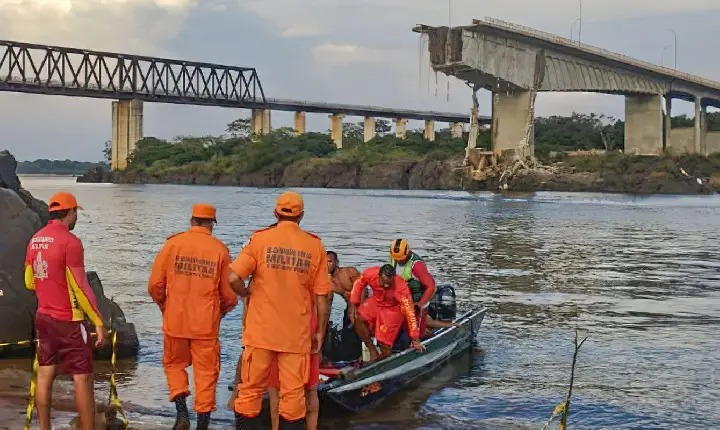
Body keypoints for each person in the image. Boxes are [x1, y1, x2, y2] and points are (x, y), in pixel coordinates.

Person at [230, 191, 331, 430]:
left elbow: (233, 277)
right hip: (296, 336)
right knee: (293, 396)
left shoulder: (259, 240)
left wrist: (246, 294)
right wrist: (320, 333)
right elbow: (323, 298)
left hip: (260, 333)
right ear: (301, 216)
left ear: (275, 213)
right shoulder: (314, 246)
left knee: (250, 392)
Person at [148, 204, 238, 430]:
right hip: (205, 325)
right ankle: (203, 425)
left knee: (174, 365)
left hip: (175, 320)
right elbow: (228, 294)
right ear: (211, 224)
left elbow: (155, 285)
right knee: (206, 373)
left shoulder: (172, 244)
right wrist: (222, 311)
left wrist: (164, 305)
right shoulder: (220, 250)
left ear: (192, 221)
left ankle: (181, 414)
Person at [24, 192, 108, 430]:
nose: (75, 217)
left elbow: (29, 281)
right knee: (83, 377)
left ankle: (44, 428)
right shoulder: (71, 242)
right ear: (70, 213)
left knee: (44, 373)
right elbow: (81, 286)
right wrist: (98, 321)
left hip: (43, 317)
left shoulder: (35, 239)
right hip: (68, 319)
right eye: (75, 212)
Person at [350, 264, 424, 362]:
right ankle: (372, 350)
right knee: (359, 317)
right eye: (383, 282)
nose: (386, 285)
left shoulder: (401, 288)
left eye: (389, 283)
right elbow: (359, 283)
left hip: (393, 308)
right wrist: (355, 302)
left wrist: (415, 338)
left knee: (384, 343)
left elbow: (409, 312)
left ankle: (382, 359)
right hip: (376, 301)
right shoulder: (370, 273)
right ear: (379, 275)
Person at [390, 239, 458, 337]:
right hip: (403, 298)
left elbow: (431, 286)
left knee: (420, 325)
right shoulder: (394, 258)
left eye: (401, 258)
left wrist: (420, 304)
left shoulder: (417, 266)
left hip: (417, 299)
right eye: (397, 258)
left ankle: (447, 326)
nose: (399, 261)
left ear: (408, 251)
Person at [327, 251, 361, 328]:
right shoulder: (328, 281)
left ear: (337, 262)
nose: (327, 265)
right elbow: (328, 302)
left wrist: (355, 310)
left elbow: (363, 290)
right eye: (324, 262)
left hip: (362, 307)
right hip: (348, 309)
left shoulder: (350, 271)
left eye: (330, 261)